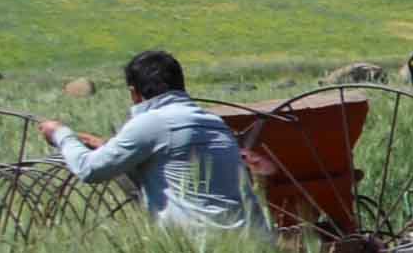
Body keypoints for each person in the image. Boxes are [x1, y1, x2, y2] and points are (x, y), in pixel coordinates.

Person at [29, 49, 262, 232]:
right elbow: (170, 156)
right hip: (251, 239)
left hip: (203, 245)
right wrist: (106, 145)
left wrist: (60, 134)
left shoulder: (153, 122)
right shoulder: (212, 121)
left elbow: (90, 169)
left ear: (134, 92)